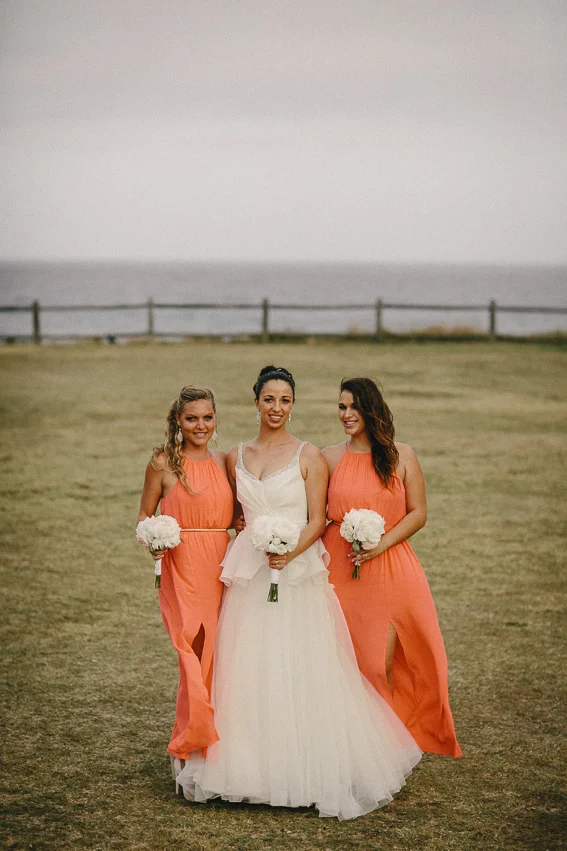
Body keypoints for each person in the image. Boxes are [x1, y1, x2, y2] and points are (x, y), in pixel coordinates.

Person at [175, 366, 422, 820]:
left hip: (297, 572)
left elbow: (317, 519)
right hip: (249, 574)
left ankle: (307, 767)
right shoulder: (234, 457)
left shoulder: (310, 457)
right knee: (245, 665)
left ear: (293, 405)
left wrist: (288, 553)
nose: (277, 408)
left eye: (285, 400)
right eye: (269, 399)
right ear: (256, 402)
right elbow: (227, 513)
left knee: (301, 664)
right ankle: (246, 769)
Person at [322, 377, 462, 758]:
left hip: (389, 567)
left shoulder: (402, 456)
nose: (346, 414)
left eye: (353, 407)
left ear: (371, 409)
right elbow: (312, 513)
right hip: (339, 567)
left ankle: (388, 745)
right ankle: (352, 747)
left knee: (380, 661)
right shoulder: (329, 457)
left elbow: (419, 512)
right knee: (344, 659)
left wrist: (381, 543)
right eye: (341, 407)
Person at [137, 386, 234, 765]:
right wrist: (152, 540)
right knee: (190, 653)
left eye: (207, 417)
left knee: (217, 652)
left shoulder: (224, 461)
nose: (200, 426)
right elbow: (145, 515)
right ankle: (191, 740)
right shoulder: (163, 463)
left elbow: (236, 513)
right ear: (178, 421)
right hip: (181, 566)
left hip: (222, 565)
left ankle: (204, 743)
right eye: (192, 418)